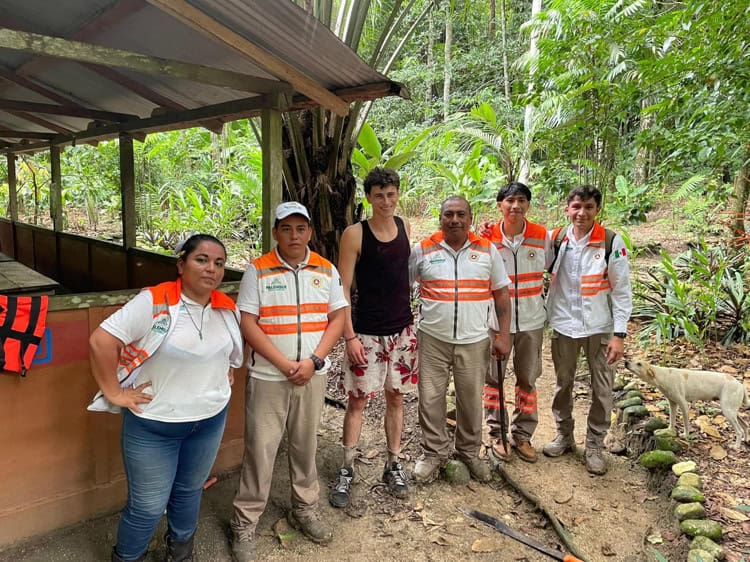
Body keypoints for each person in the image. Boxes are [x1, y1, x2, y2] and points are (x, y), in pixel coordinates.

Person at [88, 234, 244, 562]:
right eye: (201, 260)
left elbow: (228, 355)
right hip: (154, 425)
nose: (211, 269)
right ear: (181, 264)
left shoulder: (225, 308)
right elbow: (101, 341)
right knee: (147, 506)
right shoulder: (155, 301)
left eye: (219, 263)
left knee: (189, 492)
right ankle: (129, 557)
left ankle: (181, 552)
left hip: (209, 420)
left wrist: (222, 373)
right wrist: (115, 393)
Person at [230, 202, 348, 562]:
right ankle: (244, 524)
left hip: (313, 376)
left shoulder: (326, 270)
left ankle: (305, 509)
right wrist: (284, 364)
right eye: (286, 229)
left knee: (305, 446)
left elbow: (339, 318)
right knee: (261, 451)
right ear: (275, 233)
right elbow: (248, 322)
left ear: (310, 232)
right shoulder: (258, 270)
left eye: (300, 229)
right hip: (269, 377)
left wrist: (314, 361)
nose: (294, 235)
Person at [330, 167, 417, 509]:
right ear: (368, 197)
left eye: (391, 194)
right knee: (357, 401)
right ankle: (347, 467)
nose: (386, 201)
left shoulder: (405, 227)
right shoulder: (355, 234)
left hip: (403, 330)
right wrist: (349, 337)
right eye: (378, 195)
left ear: (398, 195)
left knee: (396, 397)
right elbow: (343, 290)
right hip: (366, 332)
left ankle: (393, 462)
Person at [409, 195, 511, 483]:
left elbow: (502, 294)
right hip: (432, 339)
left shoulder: (487, 251)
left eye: (460, 215)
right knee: (430, 399)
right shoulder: (423, 250)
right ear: (440, 218)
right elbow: (402, 288)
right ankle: (434, 452)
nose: (454, 220)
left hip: (475, 339)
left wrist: (503, 335)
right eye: (448, 214)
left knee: (470, 400)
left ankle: (468, 452)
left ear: (470, 218)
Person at [543, 185, 632, 475]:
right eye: (576, 207)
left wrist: (619, 335)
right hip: (564, 324)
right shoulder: (555, 239)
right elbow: (529, 259)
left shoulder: (610, 242)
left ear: (598, 210)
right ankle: (564, 435)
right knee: (562, 384)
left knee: (602, 388)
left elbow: (621, 292)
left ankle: (595, 444)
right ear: (567, 208)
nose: (582, 213)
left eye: (589, 207)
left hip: (600, 328)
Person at [480, 181, 552, 463]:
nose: (515, 206)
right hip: (496, 322)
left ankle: (522, 435)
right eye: (510, 201)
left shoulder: (541, 236)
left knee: (527, 378)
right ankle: (496, 432)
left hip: (531, 320)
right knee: (493, 378)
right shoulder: (486, 239)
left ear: (528, 205)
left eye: (521, 200)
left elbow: (553, 268)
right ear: (500, 205)